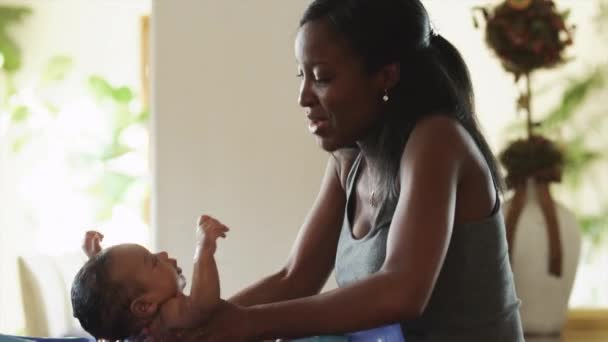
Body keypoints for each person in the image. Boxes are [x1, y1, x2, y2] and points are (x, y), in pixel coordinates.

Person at [187, 0, 525, 341]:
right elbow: (295, 279)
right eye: (301, 76)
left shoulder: (438, 140)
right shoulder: (348, 161)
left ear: (385, 76)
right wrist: (191, 329)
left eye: (322, 77)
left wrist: (249, 323)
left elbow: (402, 291)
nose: (304, 97)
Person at [70, 215, 229, 341]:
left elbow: (109, 296)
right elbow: (202, 304)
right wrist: (204, 249)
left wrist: (96, 259)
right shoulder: (165, 317)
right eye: (154, 262)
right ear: (145, 306)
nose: (163, 254)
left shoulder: (128, 329)